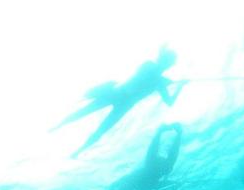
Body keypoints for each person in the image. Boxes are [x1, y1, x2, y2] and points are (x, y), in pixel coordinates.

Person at [55, 48, 185, 157]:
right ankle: (62, 130)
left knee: (98, 124)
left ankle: (76, 147)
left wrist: (177, 86)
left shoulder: (157, 75)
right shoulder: (156, 75)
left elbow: (168, 101)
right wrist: (177, 85)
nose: (167, 64)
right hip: (120, 96)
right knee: (88, 116)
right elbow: (168, 100)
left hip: (121, 97)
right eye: (168, 62)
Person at [109, 123, 183, 190]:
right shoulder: (141, 189)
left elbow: (112, 186)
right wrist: (174, 183)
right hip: (159, 170)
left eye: (123, 187)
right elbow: (160, 185)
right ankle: (175, 133)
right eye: (126, 189)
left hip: (152, 168)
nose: (126, 186)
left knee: (155, 154)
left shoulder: (127, 180)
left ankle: (162, 132)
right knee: (168, 158)